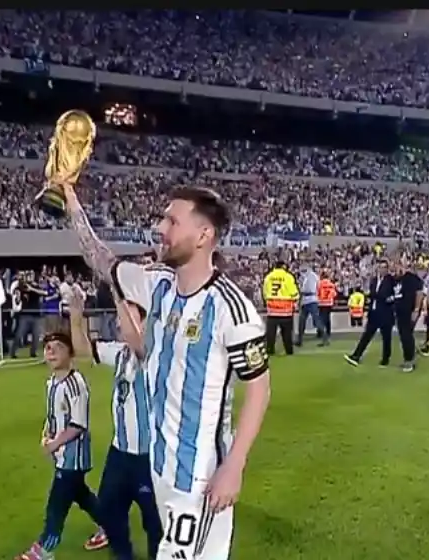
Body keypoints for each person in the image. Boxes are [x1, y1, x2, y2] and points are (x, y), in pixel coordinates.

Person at [65, 184, 272, 560]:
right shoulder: (156, 285)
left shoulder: (231, 309)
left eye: (172, 221)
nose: (160, 228)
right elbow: (100, 258)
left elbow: (259, 389)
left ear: (203, 235)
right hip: (159, 466)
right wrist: (70, 199)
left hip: (200, 477)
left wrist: (234, 466)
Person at [69, 280, 162, 560]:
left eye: (127, 316)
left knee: (156, 524)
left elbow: (140, 344)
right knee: (109, 513)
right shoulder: (120, 353)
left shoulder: (155, 354)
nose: (119, 322)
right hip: (119, 453)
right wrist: (76, 314)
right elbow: (83, 349)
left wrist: (118, 287)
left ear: (145, 322)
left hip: (150, 457)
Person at [14, 332, 106, 560]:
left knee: (56, 506)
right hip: (62, 455)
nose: (51, 352)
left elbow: (78, 424)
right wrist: (45, 435)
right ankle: (111, 526)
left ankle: (44, 550)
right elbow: (53, 417)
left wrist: (54, 444)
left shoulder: (75, 384)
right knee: (82, 496)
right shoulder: (52, 382)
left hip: (74, 457)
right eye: (48, 348)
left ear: (70, 353)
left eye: (58, 347)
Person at [344, 260, 396, 368]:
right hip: (374, 312)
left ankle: (385, 359)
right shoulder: (374, 280)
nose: (381, 270)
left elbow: (389, 295)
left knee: (386, 338)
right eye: (380, 267)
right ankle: (356, 356)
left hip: (385, 313)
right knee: (366, 335)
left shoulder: (391, 280)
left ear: (387, 269)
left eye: (384, 267)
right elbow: (373, 294)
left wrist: (382, 297)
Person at [392, 260, 425, 372]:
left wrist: (416, 309)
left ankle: (409, 361)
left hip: (409, 311)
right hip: (400, 312)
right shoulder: (397, 280)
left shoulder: (412, 278)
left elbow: (419, 293)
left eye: (398, 266)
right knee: (404, 335)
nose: (396, 268)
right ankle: (408, 357)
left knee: (406, 335)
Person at [261, 259, 298, 356]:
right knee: (287, 333)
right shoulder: (288, 277)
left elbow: (265, 292)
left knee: (271, 333)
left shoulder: (268, 277)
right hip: (286, 310)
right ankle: (289, 350)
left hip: (272, 310)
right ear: (283, 267)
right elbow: (294, 293)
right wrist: (295, 300)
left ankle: (270, 350)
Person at [295, 262, 326, 347]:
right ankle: (299, 340)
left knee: (316, 320)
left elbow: (308, 288)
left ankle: (324, 338)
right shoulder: (305, 276)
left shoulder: (312, 276)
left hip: (311, 299)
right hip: (307, 300)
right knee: (302, 321)